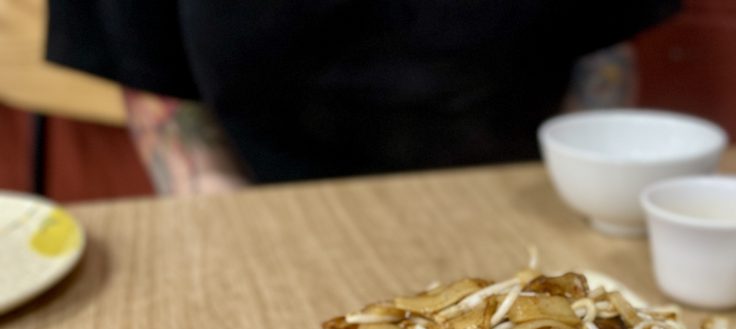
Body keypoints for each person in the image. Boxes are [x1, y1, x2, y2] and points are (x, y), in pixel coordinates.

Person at [46, 2, 678, 194]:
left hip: (526, 192)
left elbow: (604, 43)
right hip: (266, 199)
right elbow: (151, 70)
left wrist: (585, 198)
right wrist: (221, 213)